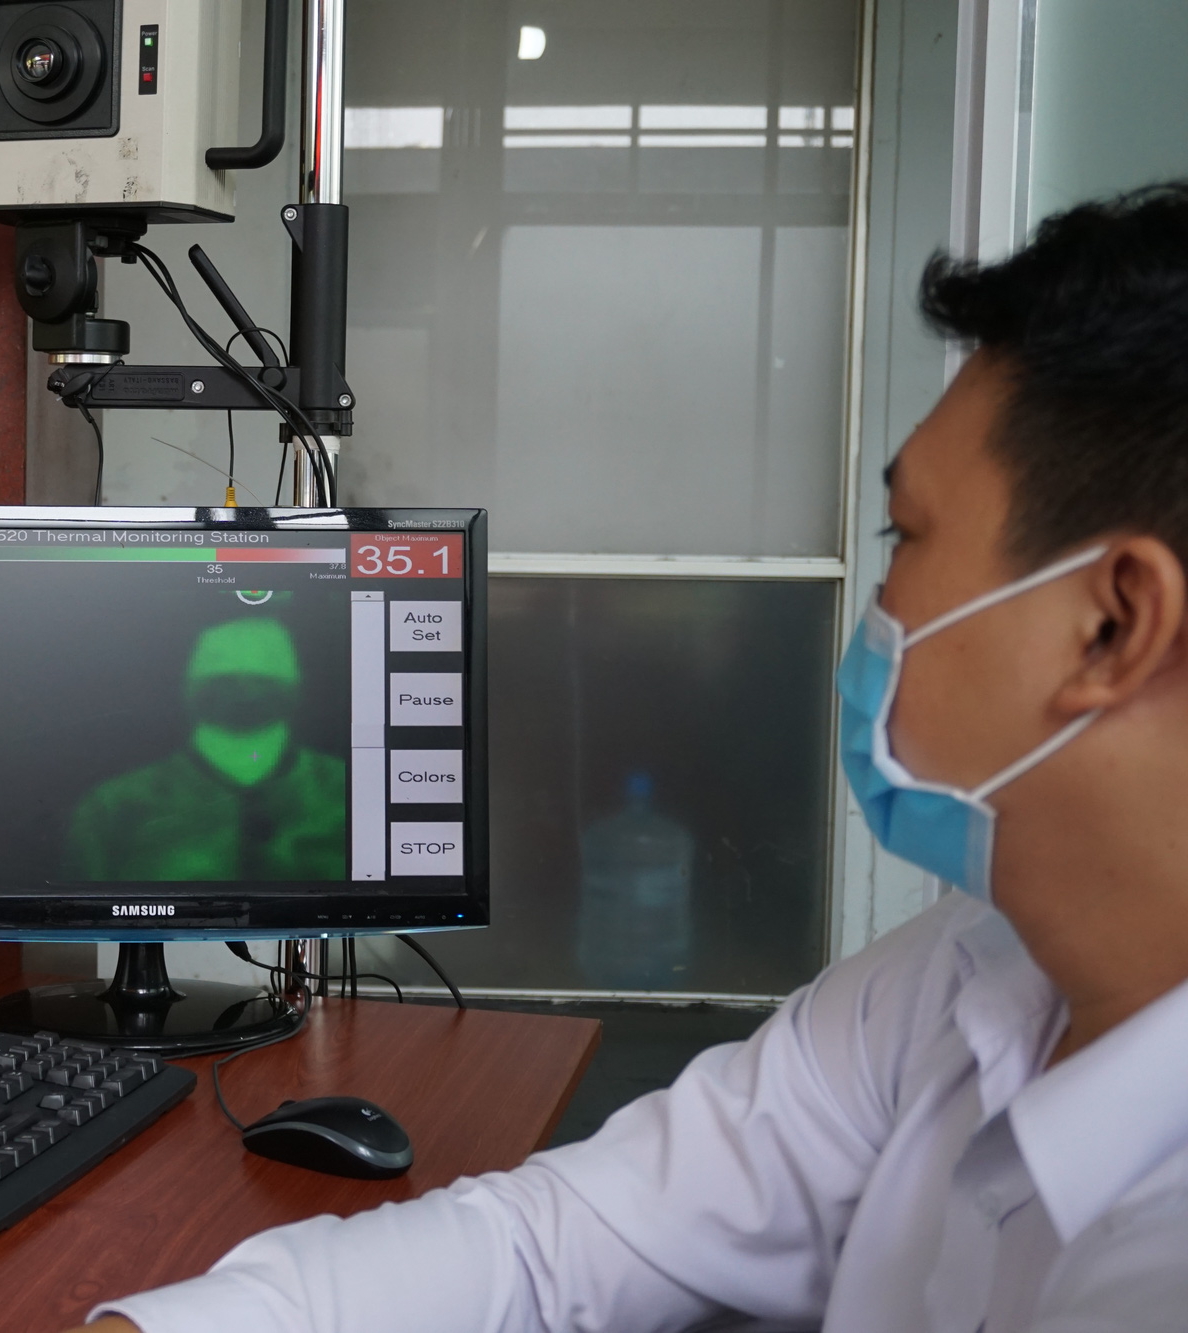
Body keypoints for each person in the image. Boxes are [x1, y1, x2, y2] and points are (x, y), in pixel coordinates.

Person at [64, 183, 1188, 1332]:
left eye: (906, 536)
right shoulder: (963, 976)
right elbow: (565, 1242)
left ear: (1110, 623)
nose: (882, 602)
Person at [65, 616, 346, 881]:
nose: (243, 687)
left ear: (297, 686)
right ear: (188, 687)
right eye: (225, 675)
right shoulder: (114, 806)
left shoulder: (348, 790)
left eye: (259, 676)